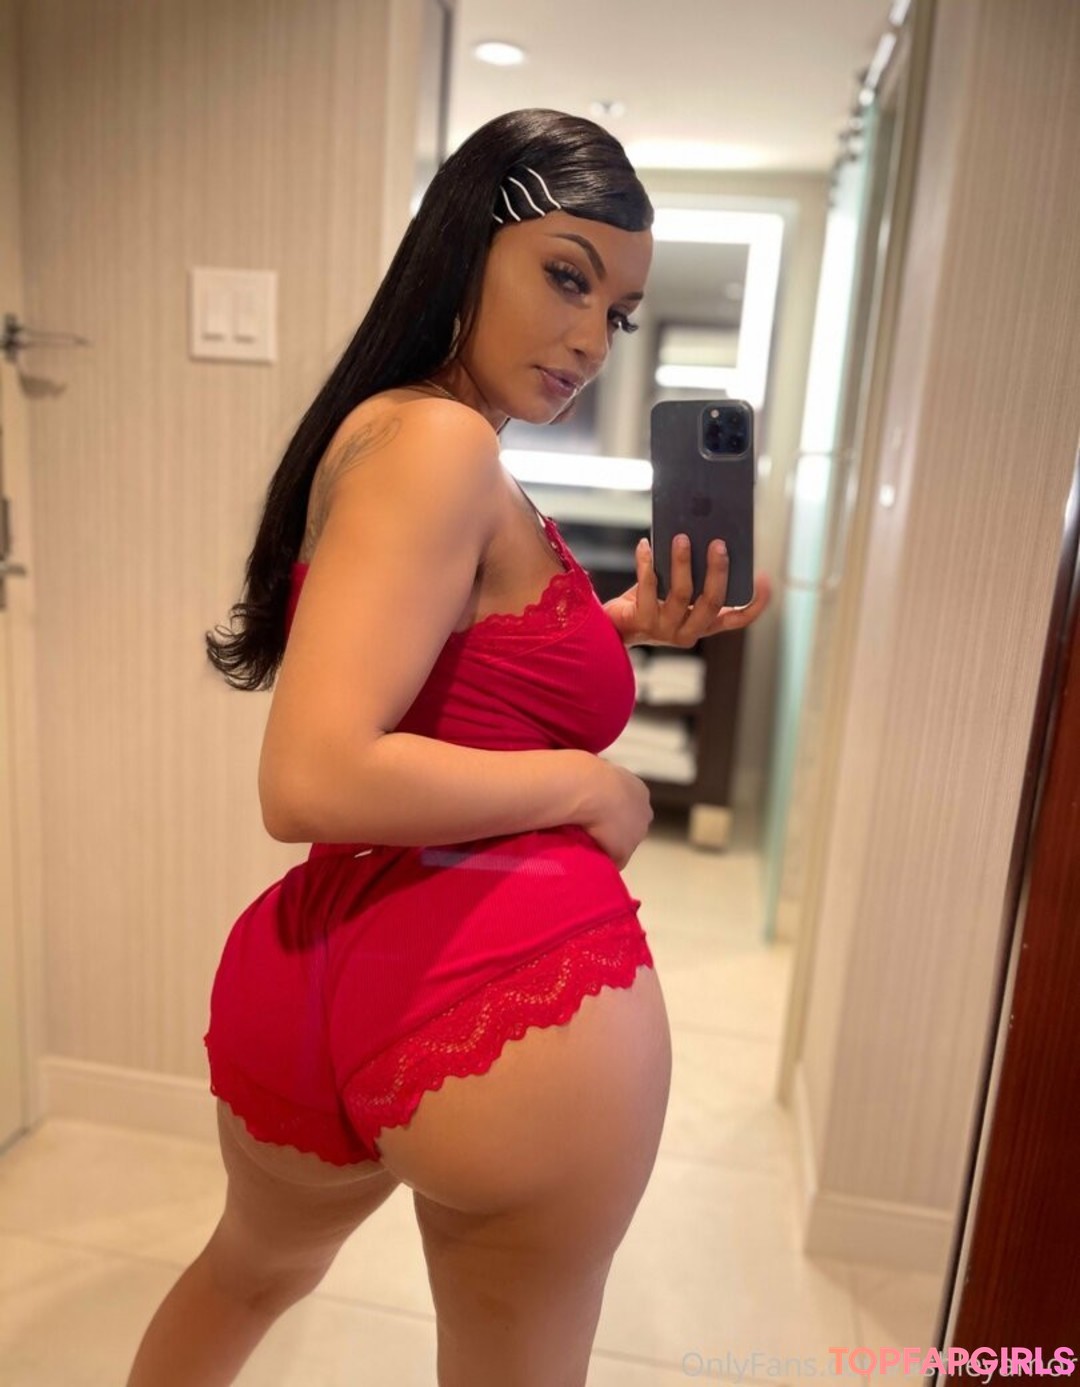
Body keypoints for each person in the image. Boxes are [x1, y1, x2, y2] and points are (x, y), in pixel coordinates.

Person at [126, 107, 771, 1387]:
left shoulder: (390, 427)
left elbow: (440, 667)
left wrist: (613, 625)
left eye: (619, 313)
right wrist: (587, 783)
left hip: (312, 978)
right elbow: (312, 777)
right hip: (496, 979)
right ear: (465, 242)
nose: (590, 338)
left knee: (245, 1277)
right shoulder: (445, 441)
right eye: (567, 276)